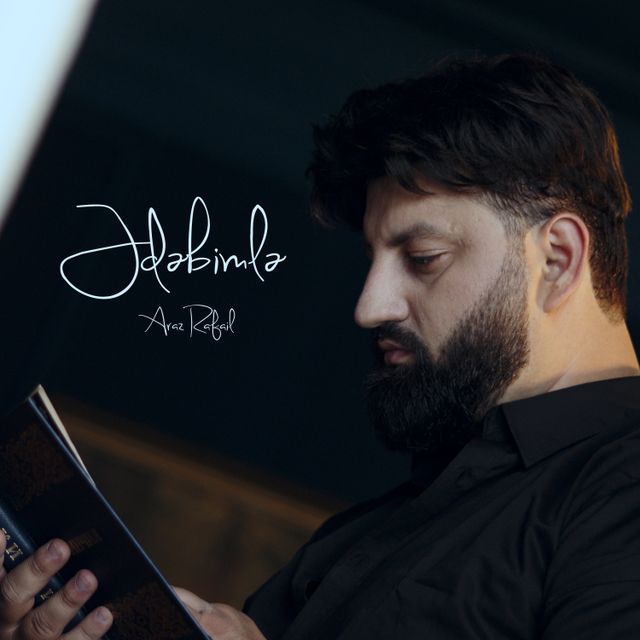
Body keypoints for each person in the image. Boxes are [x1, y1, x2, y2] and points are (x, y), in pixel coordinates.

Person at [1, 51, 639, 639]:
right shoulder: (373, 529)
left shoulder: (621, 493)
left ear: (557, 258)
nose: (369, 307)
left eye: (423, 257)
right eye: (373, 259)